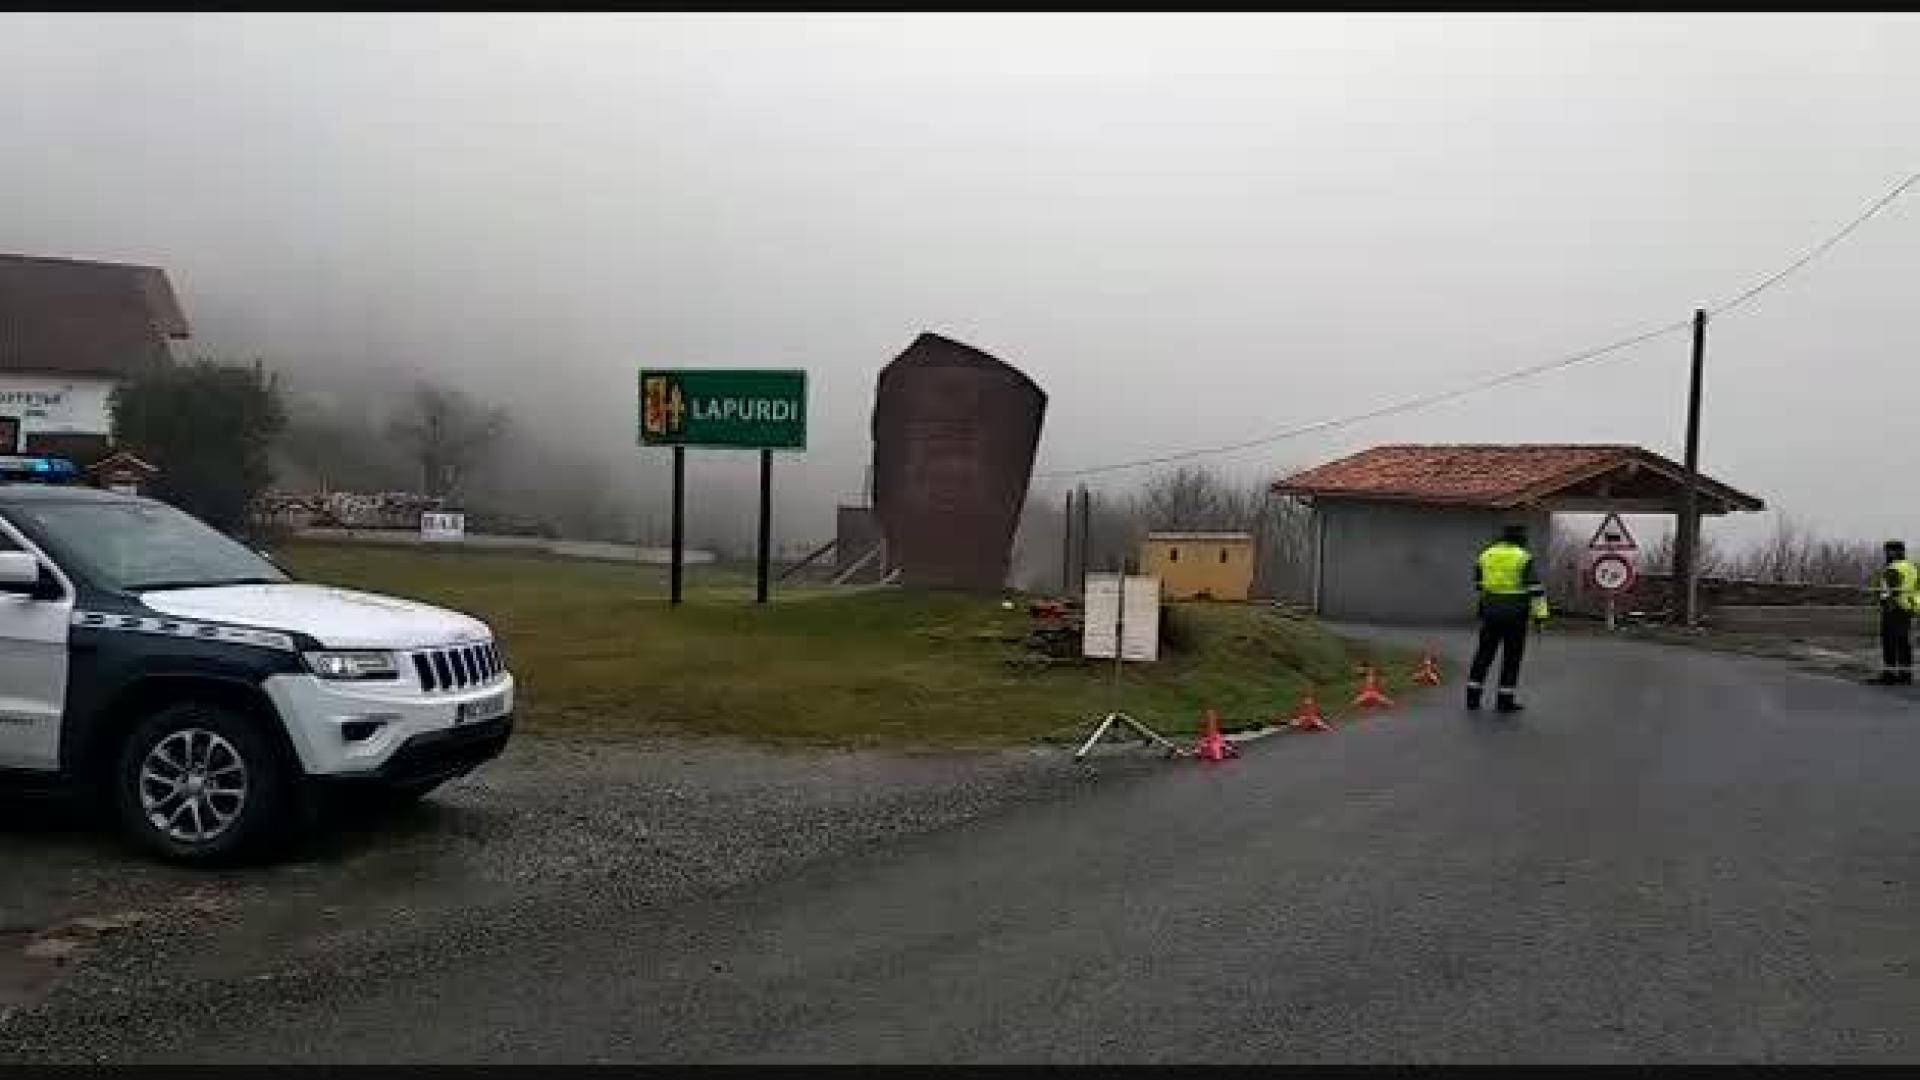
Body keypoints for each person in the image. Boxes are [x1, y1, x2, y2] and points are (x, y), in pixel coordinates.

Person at [1467, 523, 1550, 713]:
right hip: (1515, 615)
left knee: (1483, 655)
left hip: (1490, 612)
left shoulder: (1486, 554)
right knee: (1511, 658)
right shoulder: (1523, 557)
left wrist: (1490, 597)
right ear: (1521, 539)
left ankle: (1472, 698)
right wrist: (1540, 616)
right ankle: (1504, 701)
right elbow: (1536, 589)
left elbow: (1478, 584)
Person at [1871, 539, 1917, 685]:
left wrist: (1883, 603)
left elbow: (1888, 592)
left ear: (1893, 552)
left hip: (1893, 609)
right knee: (1904, 642)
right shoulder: (1912, 567)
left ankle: (1889, 674)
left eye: (1887, 551)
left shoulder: (1892, 568)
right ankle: (1905, 674)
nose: (1886, 554)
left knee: (1889, 642)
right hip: (1908, 608)